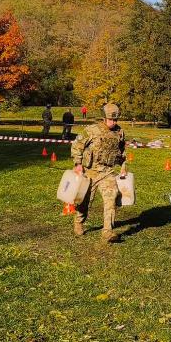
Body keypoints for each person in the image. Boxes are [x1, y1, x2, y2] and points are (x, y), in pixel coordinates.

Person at [70, 103, 127, 243]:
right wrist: (77, 164)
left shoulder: (119, 132)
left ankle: (107, 231)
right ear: (104, 118)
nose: (114, 122)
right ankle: (79, 221)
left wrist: (124, 165)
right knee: (85, 201)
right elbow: (77, 145)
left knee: (111, 198)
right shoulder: (91, 130)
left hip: (107, 172)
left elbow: (122, 151)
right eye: (111, 119)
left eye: (116, 120)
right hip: (90, 172)